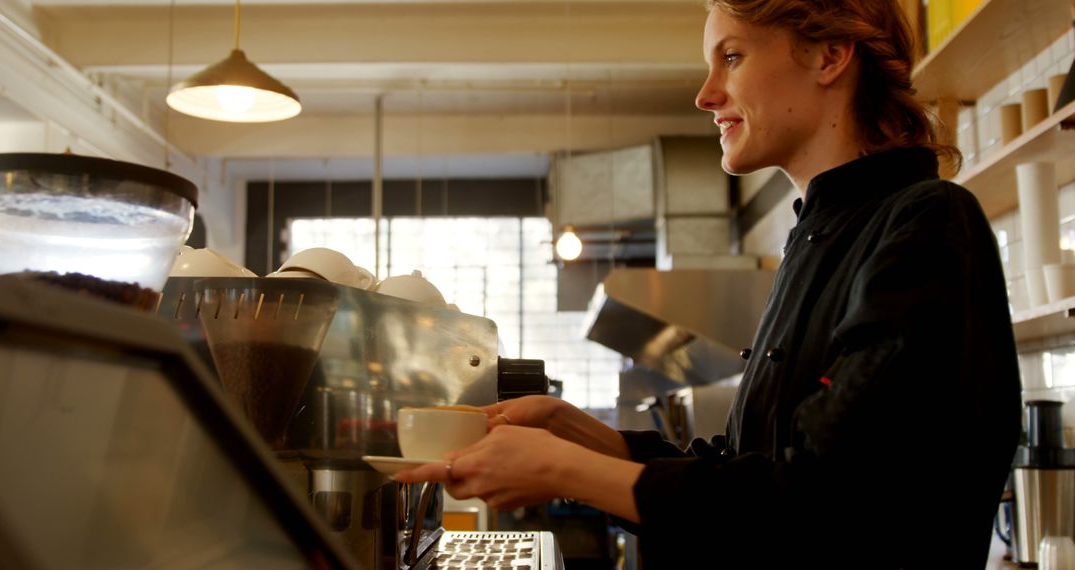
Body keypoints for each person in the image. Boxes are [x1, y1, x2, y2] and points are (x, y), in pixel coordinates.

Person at [398, 0, 1023, 567]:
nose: (705, 94)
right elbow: (749, 470)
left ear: (830, 56)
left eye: (731, 57)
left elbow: (826, 499)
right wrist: (576, 431)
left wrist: (565, 470)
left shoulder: (928, 221)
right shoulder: (818, 233)